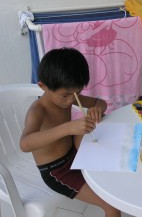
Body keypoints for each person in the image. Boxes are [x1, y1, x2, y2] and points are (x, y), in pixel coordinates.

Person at [20, 48, 121, 217]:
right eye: (65, 95)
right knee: (112, 206)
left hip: (73, 154)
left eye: (77, 93)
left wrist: (96, 108)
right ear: (43, 87)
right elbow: (25, 144)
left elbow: (100, 102)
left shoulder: (71, 95)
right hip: (57, 171)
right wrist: (67, 128)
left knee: (104, 148)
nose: (71, 101)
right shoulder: (38, 110)